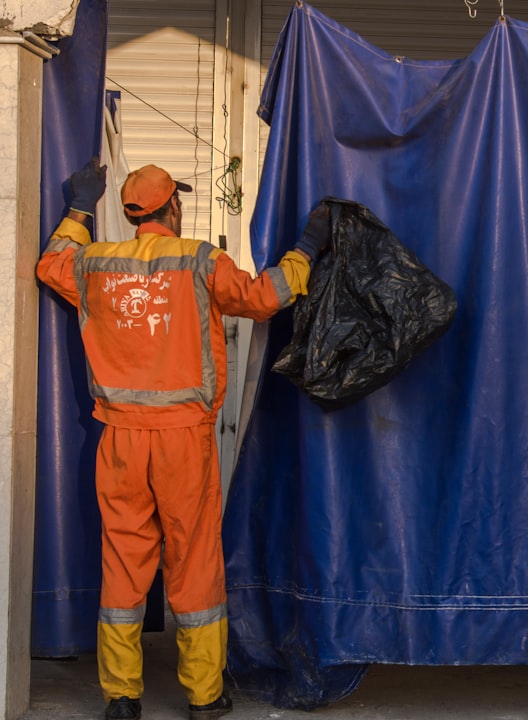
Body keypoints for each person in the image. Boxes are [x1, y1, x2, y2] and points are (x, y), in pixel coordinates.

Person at [37, 158, 330, 720]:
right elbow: (263, 296)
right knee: (194, 563)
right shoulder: (200, 260)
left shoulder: (94, 264)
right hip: (181, 443)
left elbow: (50, 263)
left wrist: (78, 209)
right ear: (172, 207)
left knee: (123, 565)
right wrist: (306, 252)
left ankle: (121, 697)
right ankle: (203, 695)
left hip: (119, 441)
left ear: (128, 213)